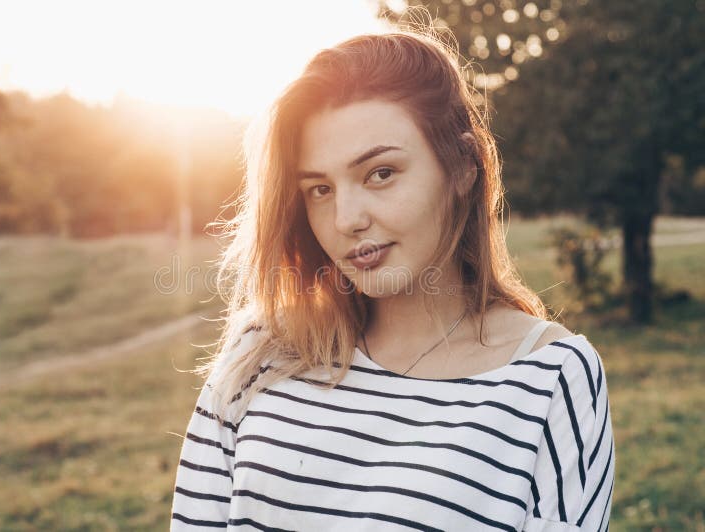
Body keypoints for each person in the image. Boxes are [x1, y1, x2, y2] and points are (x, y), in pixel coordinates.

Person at [170, 29, 615, 531]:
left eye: (380, 174)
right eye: (319, 189)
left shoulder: (551, 379)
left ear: (463, 167)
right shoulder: (262, 352)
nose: (346, 220)